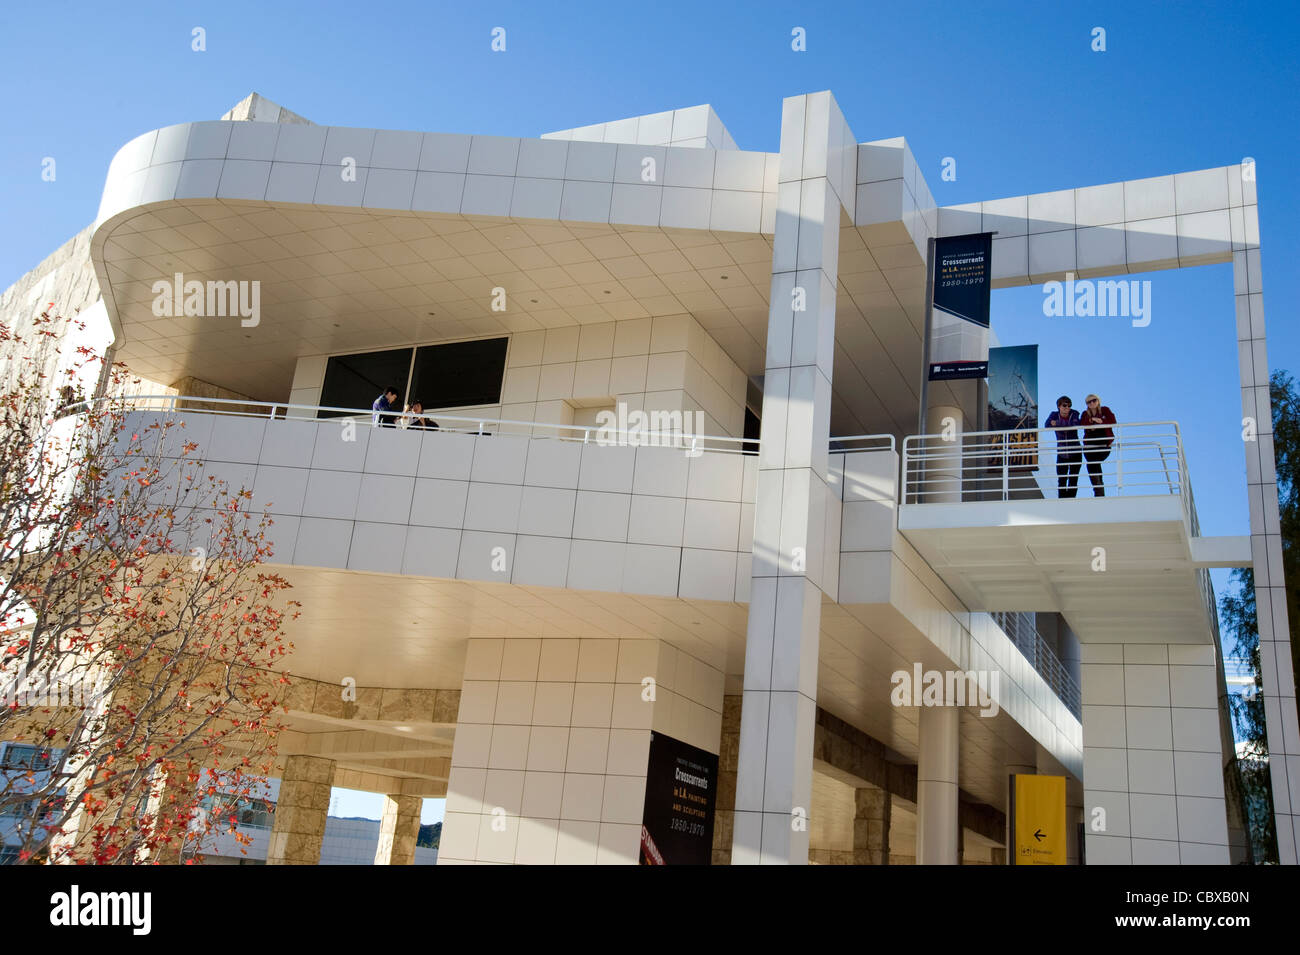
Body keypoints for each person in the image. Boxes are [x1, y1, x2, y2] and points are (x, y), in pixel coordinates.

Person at [1080, 393, 1118, 497]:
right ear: (1087, 404)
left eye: (1094, 400)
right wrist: (1092, 420)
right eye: (1089, 402)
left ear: (1098, 401)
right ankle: (1099, 490)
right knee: (1092, 463)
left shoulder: (1105, 410)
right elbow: (1082, 423)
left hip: (1103, 444)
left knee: (1094, 463)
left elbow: (1113, 421)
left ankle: (1099, 490)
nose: (1092, 403)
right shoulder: (1085, 414)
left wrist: (1101, 421)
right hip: (1090, 445)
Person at [1044, 395, 1082, 498]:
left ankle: (1070, 501)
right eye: (1065, 405)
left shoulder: (1074, 413)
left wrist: (1056, 423)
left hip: (1076, 452)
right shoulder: (1054, 414)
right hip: (1062, 453)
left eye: (1069, 405)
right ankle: (1062, 502)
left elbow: (1074, 423)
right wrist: (1063, 423)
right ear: (1059, 406)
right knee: (1062, 480)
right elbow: (1047, 425)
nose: (1067, 408)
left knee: (1073, 479)